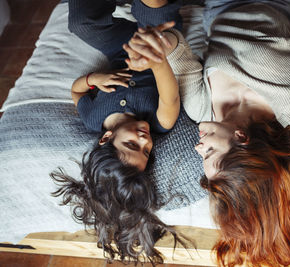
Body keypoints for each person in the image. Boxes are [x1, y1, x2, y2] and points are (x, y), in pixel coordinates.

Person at [126, 0, 290, 266]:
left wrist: (159, 44)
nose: (198, 147)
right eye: (209, 151)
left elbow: (180, 55)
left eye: (203, 156)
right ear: (242, 138)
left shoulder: (202, 110)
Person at [50, 0, 198, 264]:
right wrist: (154, 59)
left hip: (119, 50)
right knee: (151, 9)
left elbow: (77, 92)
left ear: (106, 138)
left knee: (81, 23)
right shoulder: (158, 121)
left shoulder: (93, 119)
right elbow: (171, 96)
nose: (144, 140)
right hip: (153, 45)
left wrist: (93, 80)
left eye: (131, 145)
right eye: (147, 150)